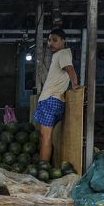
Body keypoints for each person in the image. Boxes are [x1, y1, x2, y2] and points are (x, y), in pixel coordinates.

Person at [33, 29, 80, 162]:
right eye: (49, 40)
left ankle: (43, 168)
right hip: (52, 100)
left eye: (55, 40)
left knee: (45, 137)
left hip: (51, 100)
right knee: (47, 137)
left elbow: (70, 68)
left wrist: (75, 84)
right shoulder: (59, 55)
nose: (51, 43)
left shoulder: (63, 54)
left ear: (63, 41)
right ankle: (45, 166)